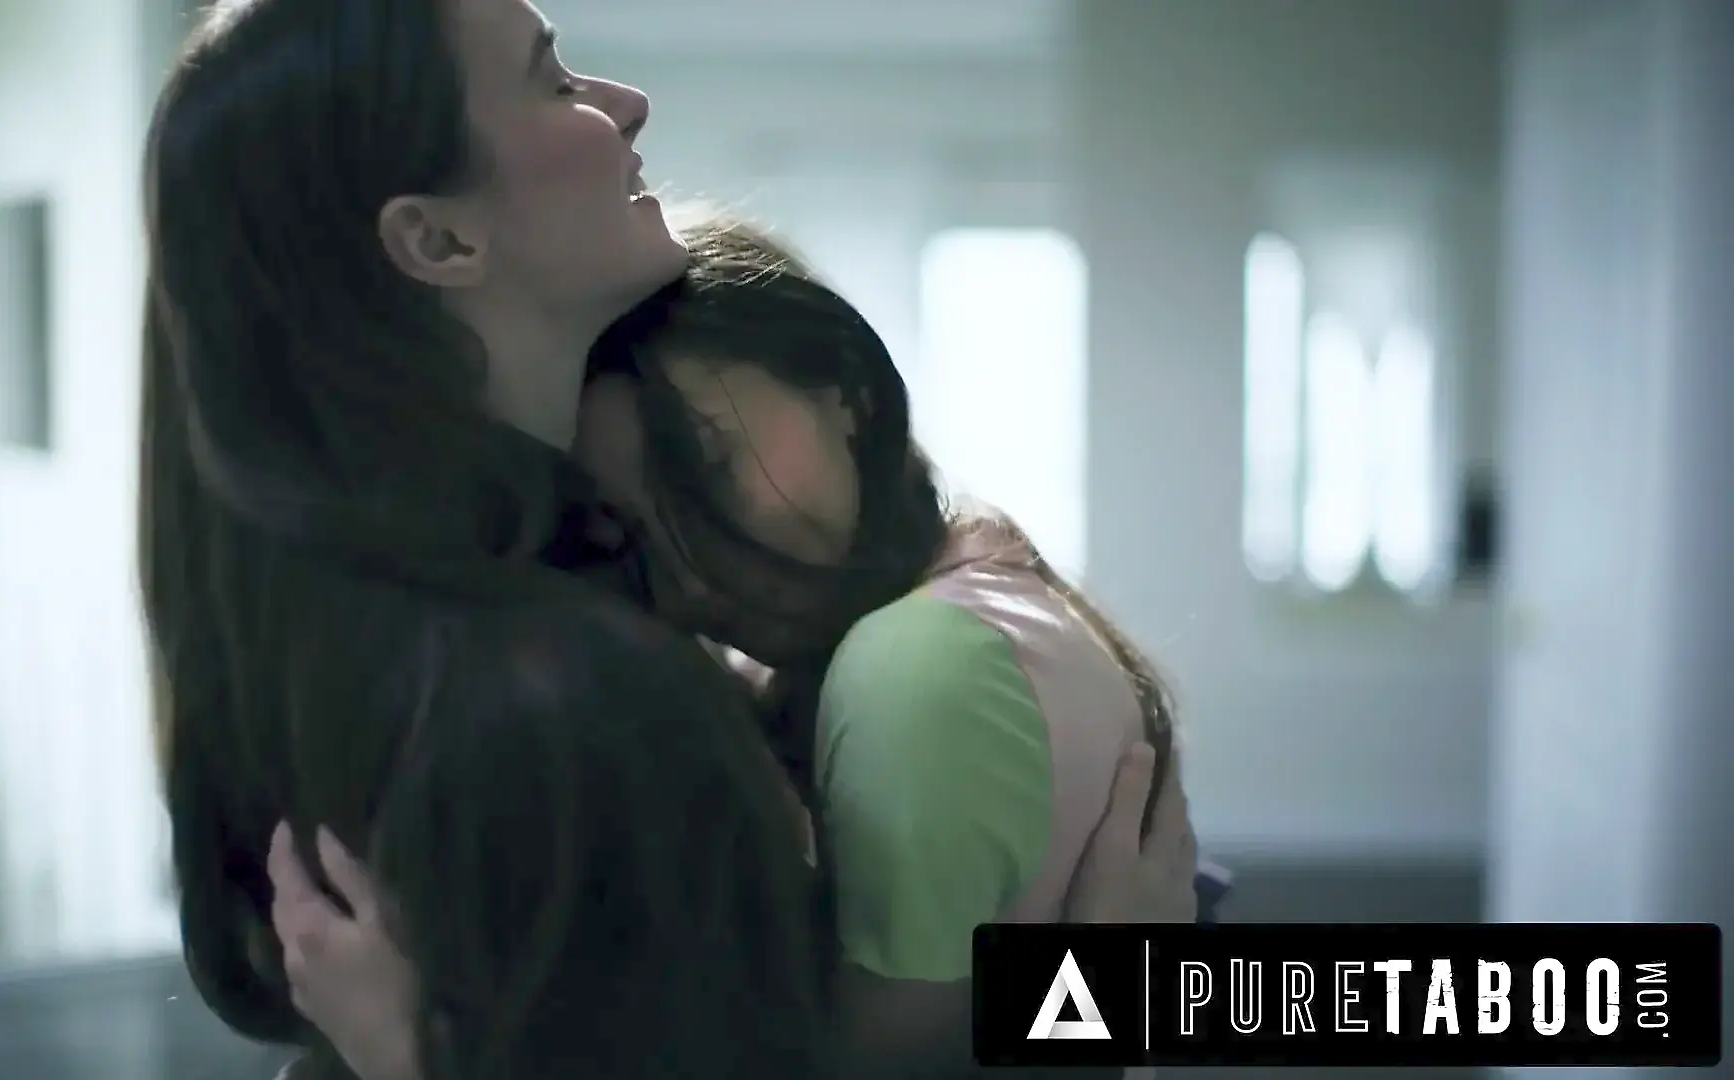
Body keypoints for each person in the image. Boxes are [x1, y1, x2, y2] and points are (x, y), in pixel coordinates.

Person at [140, 0, 1198, 1076]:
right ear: (439, 237)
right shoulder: (553, 705)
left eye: (702, 462)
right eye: (552, 80)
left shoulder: (402, 656)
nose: (627, 104)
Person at [265, 222, 1203, 1078]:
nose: (689, 574)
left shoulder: (916, 666)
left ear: (845, 388)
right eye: (629, 536)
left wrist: (412, 1057)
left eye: (704, 468)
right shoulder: (978, 604)